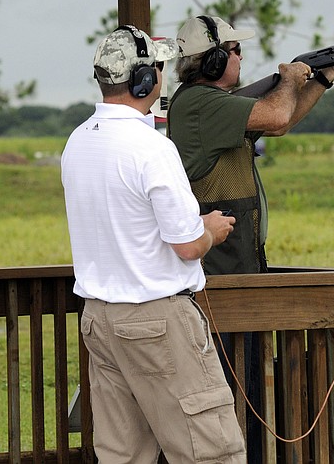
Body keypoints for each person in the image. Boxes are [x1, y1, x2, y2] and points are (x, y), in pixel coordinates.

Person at [61, 24, 246, 463]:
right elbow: (187, 246)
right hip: (155, 319)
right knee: (211, 451)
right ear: (145, 80)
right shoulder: (150, 147)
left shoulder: (77, 142)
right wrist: (212, 231)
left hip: (100, 320)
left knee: (123, 455)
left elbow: (127, 220)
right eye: (159, 67)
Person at [167, 15, 334, 459]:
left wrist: (320, 78)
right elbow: (279, 115)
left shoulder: (212, 104)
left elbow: (280, 120)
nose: (241, 59)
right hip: (219, 275)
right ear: (214, 60)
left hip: (236, 267)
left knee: (240, 386)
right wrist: (288, 78)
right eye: (234, 51)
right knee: (228, 391)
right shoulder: (204, 105)